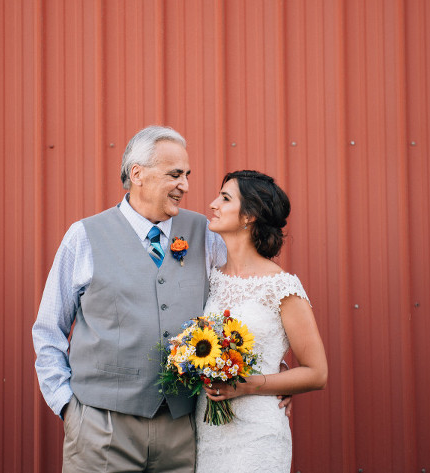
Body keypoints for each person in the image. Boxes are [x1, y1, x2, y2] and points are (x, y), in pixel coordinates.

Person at [33, 126, 292, 472]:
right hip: (101, 427)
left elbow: (241, 295)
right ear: (137, 174)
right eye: (175, 174)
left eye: (187, 175)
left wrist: (269, 368)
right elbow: (49, 329)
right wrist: (67, 408)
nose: (185, 185)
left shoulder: (206, 234)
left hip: (181, 431)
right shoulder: (84, 237)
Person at [195, 170, 328, 472]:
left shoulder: (282, 287)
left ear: (249, 216)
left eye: (225, 198)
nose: (213, 204)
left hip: (257, 435)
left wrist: (249, 385)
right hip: (206, 432)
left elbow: (317, 372)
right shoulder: (210, 278)